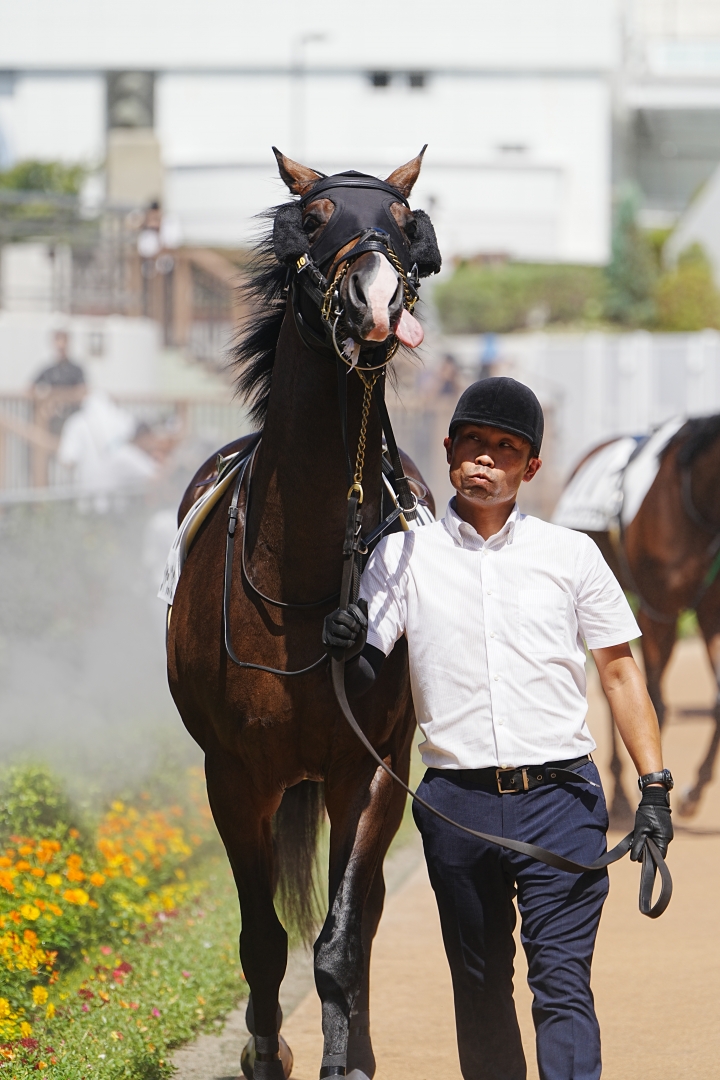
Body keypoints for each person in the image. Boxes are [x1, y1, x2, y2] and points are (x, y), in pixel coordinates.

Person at [322, 377, 673, 1080]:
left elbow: (619, 674)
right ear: (448, 448)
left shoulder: (571, 555)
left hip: (562, 802)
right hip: (457, 807)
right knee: (480, 991)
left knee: (562, 985)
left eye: (506, 448)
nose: (485, 457)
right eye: (473, 442)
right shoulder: (401, 557)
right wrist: (341, 643)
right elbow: (362, 676)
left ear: (530, 467)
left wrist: (654, 787)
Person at [32, 330, 86, 435]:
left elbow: (82, 390)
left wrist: (64, 396)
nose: (60, 348)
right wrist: (44, 396)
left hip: (71, 415)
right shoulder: (49, 370)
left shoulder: (75, 370)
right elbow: (31, 388)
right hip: (52, 416)